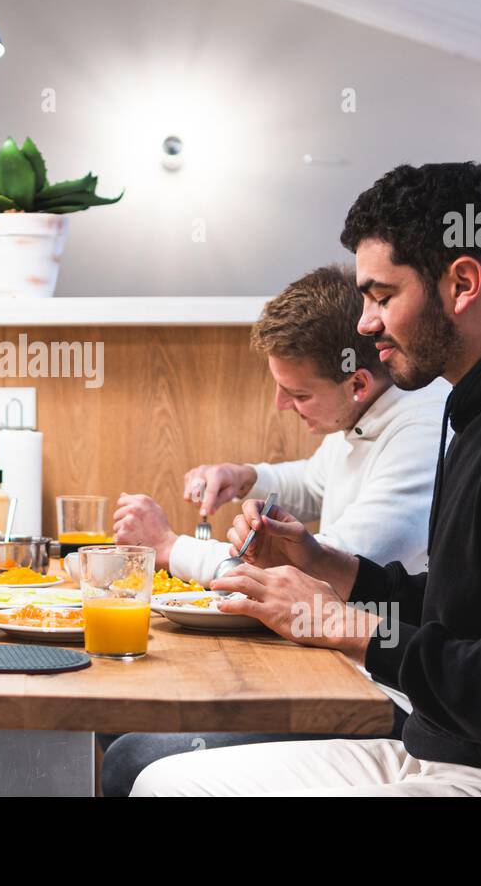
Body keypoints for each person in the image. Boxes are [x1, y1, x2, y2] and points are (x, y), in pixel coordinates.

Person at [133, 162, 481, 796]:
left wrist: (342, 623)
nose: (366, 324)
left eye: (383, 296)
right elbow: (468, 612)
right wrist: (333, 567)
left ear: (463, 283)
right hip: (450, 753)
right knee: (161, 780)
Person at [102, 265, 446, 795]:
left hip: (390, 698)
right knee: (114, 719)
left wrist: (169, 547)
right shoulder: (368, 413)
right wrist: (247, 476)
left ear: (356, 382)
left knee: (131, 754)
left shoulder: (420, 434)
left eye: (297, 395)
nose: (281, 406)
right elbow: (312, 478)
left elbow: (305, 578)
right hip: (343, 668)